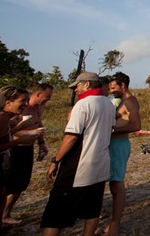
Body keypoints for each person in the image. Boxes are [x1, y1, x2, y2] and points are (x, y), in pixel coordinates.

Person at [40, 72, 115, 236]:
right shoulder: (109, 104)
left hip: (78, 166)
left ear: (87, 84)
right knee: (92, 210)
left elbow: (71, 138)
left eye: (77, 86)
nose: (75, 90)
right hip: (100, 163)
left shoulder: (83, 105)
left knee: (55, 214)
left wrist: (55, 160)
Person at [0, 86, 41, 235]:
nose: (27, 105)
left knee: (0, 200)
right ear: (7, 103)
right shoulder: (1, 119)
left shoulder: (5, 118)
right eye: (22, 101)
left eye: (27, 101)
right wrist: (18, 141)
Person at [2, 83, 53, 226]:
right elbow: (8, 132)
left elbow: (38, 125)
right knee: (8, 184)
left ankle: (5, 215)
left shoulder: (37, 109)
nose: (48, 100)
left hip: (27, 149)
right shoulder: (20, 110)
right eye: (47, 97)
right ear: (38, 94)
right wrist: (28, 133)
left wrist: (41, 143)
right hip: (14, 149)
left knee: (21, 185)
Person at [104, 72, 141, 236]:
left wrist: (110, 130)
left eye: (113, 87)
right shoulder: (120, 102)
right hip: (112, 143)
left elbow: (136, 125)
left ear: (122, 86)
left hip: (118, 145)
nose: (111, 91)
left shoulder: (130, 102)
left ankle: (115, 224)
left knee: (117, 184)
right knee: (110, 183)